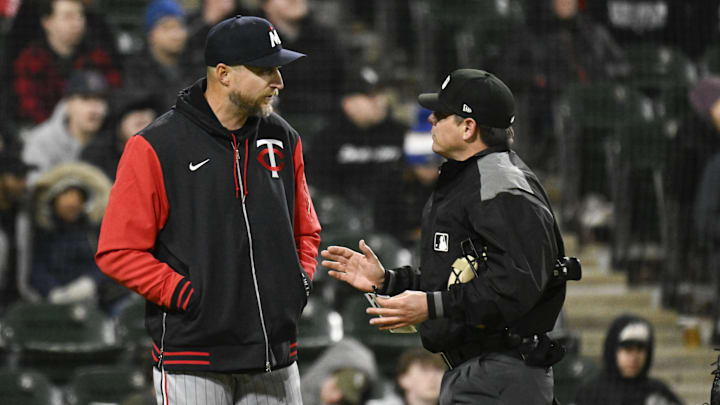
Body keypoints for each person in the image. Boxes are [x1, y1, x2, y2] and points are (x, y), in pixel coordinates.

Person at [95, 15, 321, 405]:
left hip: (274, 355)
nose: (279, 82)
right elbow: (118, 251)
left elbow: (306, 229)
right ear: (224, 74)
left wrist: (296, 283)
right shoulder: (156, 146)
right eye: (265, 69)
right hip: (194, 357)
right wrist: (186, 295)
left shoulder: (283, 137)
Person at [321, 69, 570, 404]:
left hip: (501, 373)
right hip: (479, 370)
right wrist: (389, 280)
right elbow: (459, 277)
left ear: (468, 127)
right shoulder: (470, 179)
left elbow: (513, 287)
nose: (431, 120)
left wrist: (431, 305)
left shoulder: (500, 188)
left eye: (441, 114)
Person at [306, 65, 407, 208]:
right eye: (371, 96)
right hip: (344, 217)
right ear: (348, 103)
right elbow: (319, 185)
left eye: (381, 94)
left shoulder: (400, 133)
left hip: (394, 215)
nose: (381, 101)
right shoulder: (327, 138)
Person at [10, 0, 121, 126]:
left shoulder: (98, 58)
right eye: (68, 17)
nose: (77, 23)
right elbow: (29, 106)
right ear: (47, 22)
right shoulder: (30, 61)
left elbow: (113, 96)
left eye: (80, 16)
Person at [21, 162, 112, 306]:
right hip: (49, 304)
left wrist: (89, 283)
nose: (73, 203)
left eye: (78, 198)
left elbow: (106, 262)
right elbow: (35, 267)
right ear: (54, 200)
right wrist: (52, 291)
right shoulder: (42, 233)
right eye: (67, 196)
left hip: (92, 302)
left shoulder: (93, 231)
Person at [22, 70, 109, 185]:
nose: (94, 108)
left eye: (100, 99)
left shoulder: (112, 138)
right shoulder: (43, 140)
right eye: (85, 99)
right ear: (68, 103)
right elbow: (34, 188)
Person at [574, 314, 683, 405]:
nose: (634, 357)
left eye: (640, 349)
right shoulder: (592, 393)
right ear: (613, 350)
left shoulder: (657, 393)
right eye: (628, 349)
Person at [374, 107, 441, 250]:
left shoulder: (454, 181)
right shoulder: (392, 182)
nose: (429, 171)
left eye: (435, 164)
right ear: (411, 164)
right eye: (422, 165)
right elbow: (381, 226)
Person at [123, 0, 196, 111]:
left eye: (180, 26)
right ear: (151, 34)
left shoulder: (195, 64)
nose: (176, 34)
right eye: (167, 28)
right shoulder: (136, 69)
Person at [80, 90, 159, 181]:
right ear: (118, 123)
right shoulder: (95, 154)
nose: (141, 115)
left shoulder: (164, 154)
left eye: (146, 108)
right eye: (133, 110)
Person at [0, 151, 33, 311]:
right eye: (18, 178)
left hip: (17, 301)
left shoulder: (24, 216)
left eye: (25, 178)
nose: (24, 184)